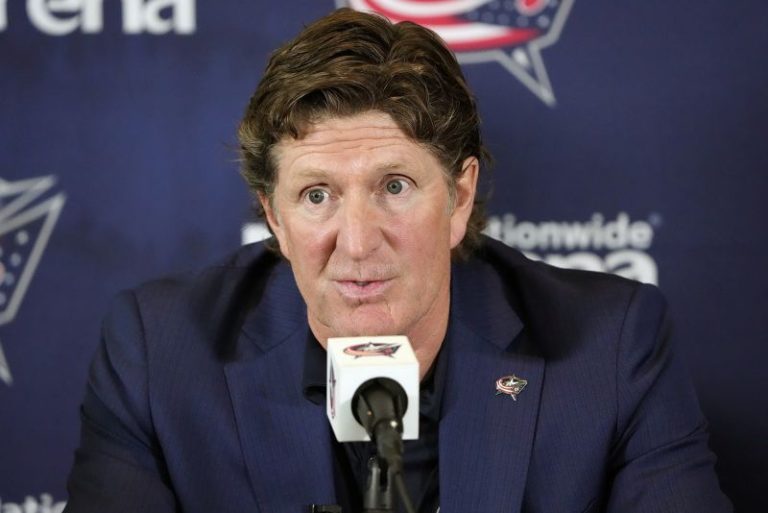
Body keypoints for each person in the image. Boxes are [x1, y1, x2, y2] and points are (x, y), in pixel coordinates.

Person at [63, 8, 732, 513]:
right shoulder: (160, 356)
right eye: (317, 195)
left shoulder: (609, 350)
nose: (358, 243)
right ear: (274, 217)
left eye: (395, 186)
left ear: (459, 198)